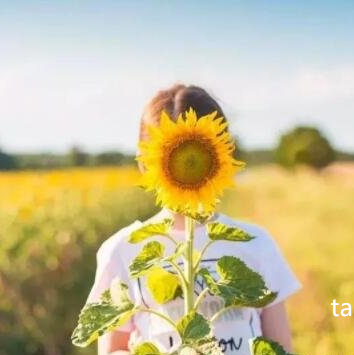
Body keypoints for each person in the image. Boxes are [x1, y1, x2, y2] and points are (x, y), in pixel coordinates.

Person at [89, 84, 302, 355]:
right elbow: (112, 349)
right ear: (145, 161)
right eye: (170, 154)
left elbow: (280, 348)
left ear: (224, 154)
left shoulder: (256, 245)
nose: (187, 162)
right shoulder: (123, 250)